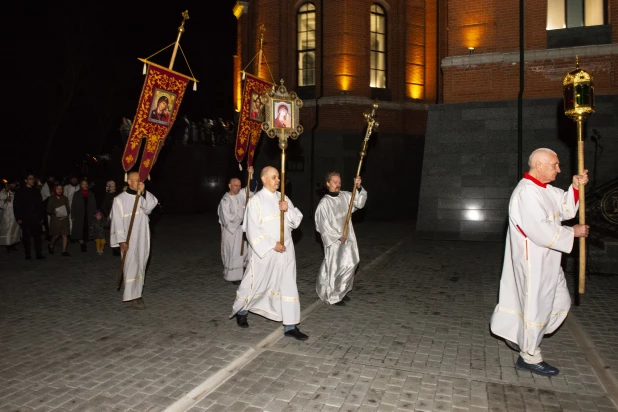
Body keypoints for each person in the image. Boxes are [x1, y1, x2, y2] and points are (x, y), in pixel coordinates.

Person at [490, 148, 589, 377]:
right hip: (533, 263)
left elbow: (565, 208)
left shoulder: (544, 189)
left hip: (550, 262)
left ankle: (525, 337)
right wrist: (571, 232)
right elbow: (540, 230)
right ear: (539, 165)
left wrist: (575, 187)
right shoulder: (526, 193)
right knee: (536, 308)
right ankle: (530, 356)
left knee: (560, 303)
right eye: (555, 165)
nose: (559, 169)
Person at [231, 166, 308, 340]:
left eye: (278, 178)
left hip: (286, 251)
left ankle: (290, 325)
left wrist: (287, 209)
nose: (278, 180)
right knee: (255, 281)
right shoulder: (256, 201)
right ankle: (241, 310)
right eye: (274, 177)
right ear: (264, 179)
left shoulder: (283, 198)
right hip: (266, 251)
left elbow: (296, 221)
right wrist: (272, 244)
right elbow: (252, 229)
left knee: (288, 284)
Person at [315, 172, 367, 306]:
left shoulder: (345, 196)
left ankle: (340, 291)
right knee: (334, 267)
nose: (338, 184)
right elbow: (322, 225)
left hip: (348, 237)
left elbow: (359, 203)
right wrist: (337, 236)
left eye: (339, 182)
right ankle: (333, 296)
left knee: (351, 262)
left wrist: (359, 187)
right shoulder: (324, 203)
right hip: (334, 240)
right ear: (328, 184)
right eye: (335, 182)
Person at [110, 172, 158, 309]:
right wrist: (121, 241)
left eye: (140, 181)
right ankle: (133, 296)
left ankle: (138, 292)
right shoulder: (119, 200)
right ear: (129, 182)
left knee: (141, 263)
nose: (139, 183)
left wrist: (143, 193)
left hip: (142, 236)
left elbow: (149, 207)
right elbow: (117, 222)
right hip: (128, 239)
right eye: (136, 181)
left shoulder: (141, 197)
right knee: (131, 265)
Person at [218, 167, 254, 284]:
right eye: (235, 185)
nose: (238, 188)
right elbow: (227, 219)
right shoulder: (225, 200)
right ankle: (232, 277)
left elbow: (249, 190)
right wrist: (241, 216)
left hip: (240, 230)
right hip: (231, 232)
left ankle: (242, 274)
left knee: (242, 252)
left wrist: (251, 174)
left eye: (239, 185)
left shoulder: (240, 195)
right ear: (229, 186)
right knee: (232, 253)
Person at [13, 174, 45, 260]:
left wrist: (41, 217)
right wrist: (18, 217)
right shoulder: (20, 191)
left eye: (33, 179)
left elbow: (40, 205)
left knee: (37, 237)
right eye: (30, 179)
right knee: (26, 237)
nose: (32, 180)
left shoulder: (36, 191)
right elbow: (16, 205)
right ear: (26, 180)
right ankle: (28, 254)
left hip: (35, 217)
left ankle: (39, 254)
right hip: (25, 218)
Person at [71, 178, 97, 252]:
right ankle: (82, 244)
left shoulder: (91, 194)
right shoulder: (77, 194)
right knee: (79, 230)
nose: (85, 185)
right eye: (83, 184)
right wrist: (73, 216)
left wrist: (94, 214)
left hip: (88, 215)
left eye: (86, 184)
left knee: (87, 230)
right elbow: (73, 205)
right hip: (79, 215)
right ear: (80, 185)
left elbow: (94, 205)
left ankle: (84, 242)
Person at [47, 183, 71, 256]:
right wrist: (54, 212)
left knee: (64, 235)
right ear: (55, 190)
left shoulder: (65, 198)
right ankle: (51, 245)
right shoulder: (51, 198)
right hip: (56, 219)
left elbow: (68, 209)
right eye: (58, 189)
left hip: (64, 219)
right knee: (56, 235)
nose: (60, 190)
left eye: (61, 189)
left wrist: (65, 212)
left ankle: (64, 250)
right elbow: (48, 210)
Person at [0, 181, 21, 252]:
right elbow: (1, 204)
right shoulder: (3, 192)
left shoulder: (15, 192)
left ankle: (13, 244)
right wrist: (6, 199)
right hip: (7, 214)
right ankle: (8, 245)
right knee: (8, 229)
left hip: (14, 214)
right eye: (13, 184)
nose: (14, 185)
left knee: (15, 229)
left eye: (15, 184)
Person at [102, 180, 120, 256]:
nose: (114, 187)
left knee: (119, 232)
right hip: (112, 217)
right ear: (109, 187)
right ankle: (115, 249)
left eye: (114, 185)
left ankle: (118, 248)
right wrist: (108, 215)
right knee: (113, 233)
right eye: (112, 186)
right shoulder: (107, 195)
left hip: (118, 216)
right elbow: (103, 207)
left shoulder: (117, 194)